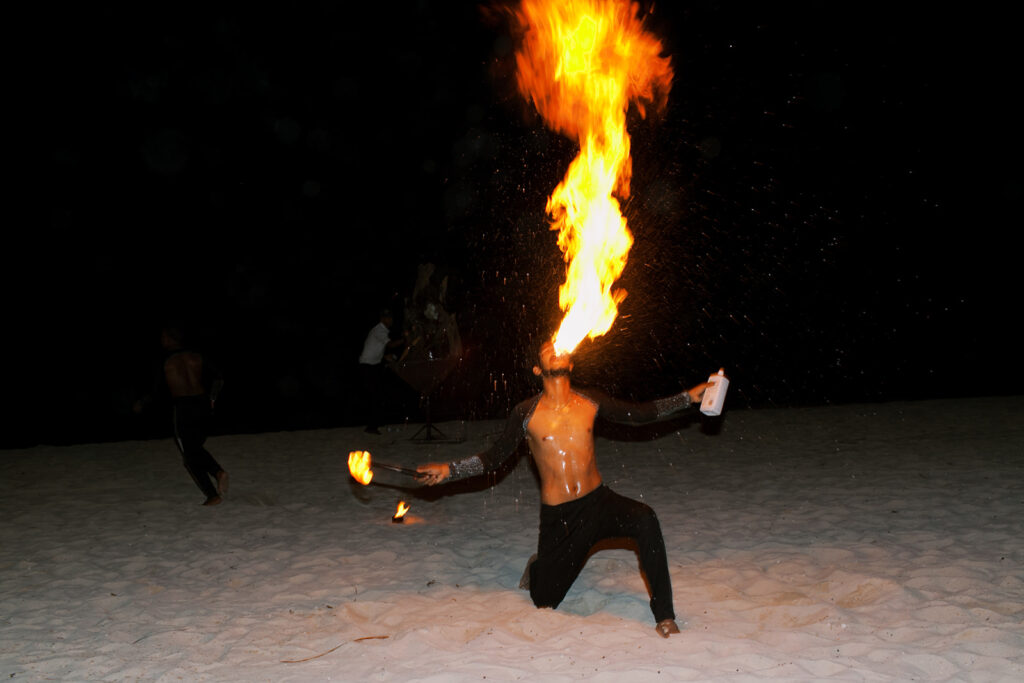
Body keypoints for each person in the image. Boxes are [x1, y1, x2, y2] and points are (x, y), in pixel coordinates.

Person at [417, 341, 710, 638]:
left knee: (646, 518)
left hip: (600, 503)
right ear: (537, 369)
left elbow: (640, 413)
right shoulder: (526, 413)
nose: (556, 348)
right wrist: (449, 470)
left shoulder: (590, 401)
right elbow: (494, 458)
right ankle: (537, 568)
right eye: (547, 347)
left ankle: (665, 615)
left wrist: (687, 397)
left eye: (560, 347)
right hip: (562, 517)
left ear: (571, 365)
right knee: (545, 601)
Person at [136, 325, 228, 506]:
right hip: (203, 404)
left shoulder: (164, 360)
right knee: (195, 449)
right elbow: (219, 377)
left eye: (163, 336)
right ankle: (216, 478)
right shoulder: (196, 355)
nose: (161, 340)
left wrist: (141, 403)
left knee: (190, 453)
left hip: (184, 407)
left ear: (171, 338)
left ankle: (214, 489)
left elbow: (155, 390)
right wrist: (212, 399)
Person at [358, 309, 405, 434]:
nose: (390, 320)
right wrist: (405, 339)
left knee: (378, 394)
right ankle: (372, 426)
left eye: (391, 317)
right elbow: (390, 345)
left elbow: (376, 348)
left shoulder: (381, 331)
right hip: (367, 366)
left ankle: (376, 422)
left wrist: (386, 357)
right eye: (388, 318)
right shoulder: (379, 330)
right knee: (376, 395)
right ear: (382, 319)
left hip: (372, 365)